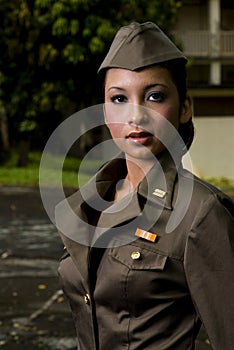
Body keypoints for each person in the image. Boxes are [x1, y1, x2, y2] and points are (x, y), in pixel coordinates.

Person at [56, 22, 234, 350]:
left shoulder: (200, 214)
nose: (135, 115)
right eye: (119, 98)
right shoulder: (89, 204)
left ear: (184, 108)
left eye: (154, 96)